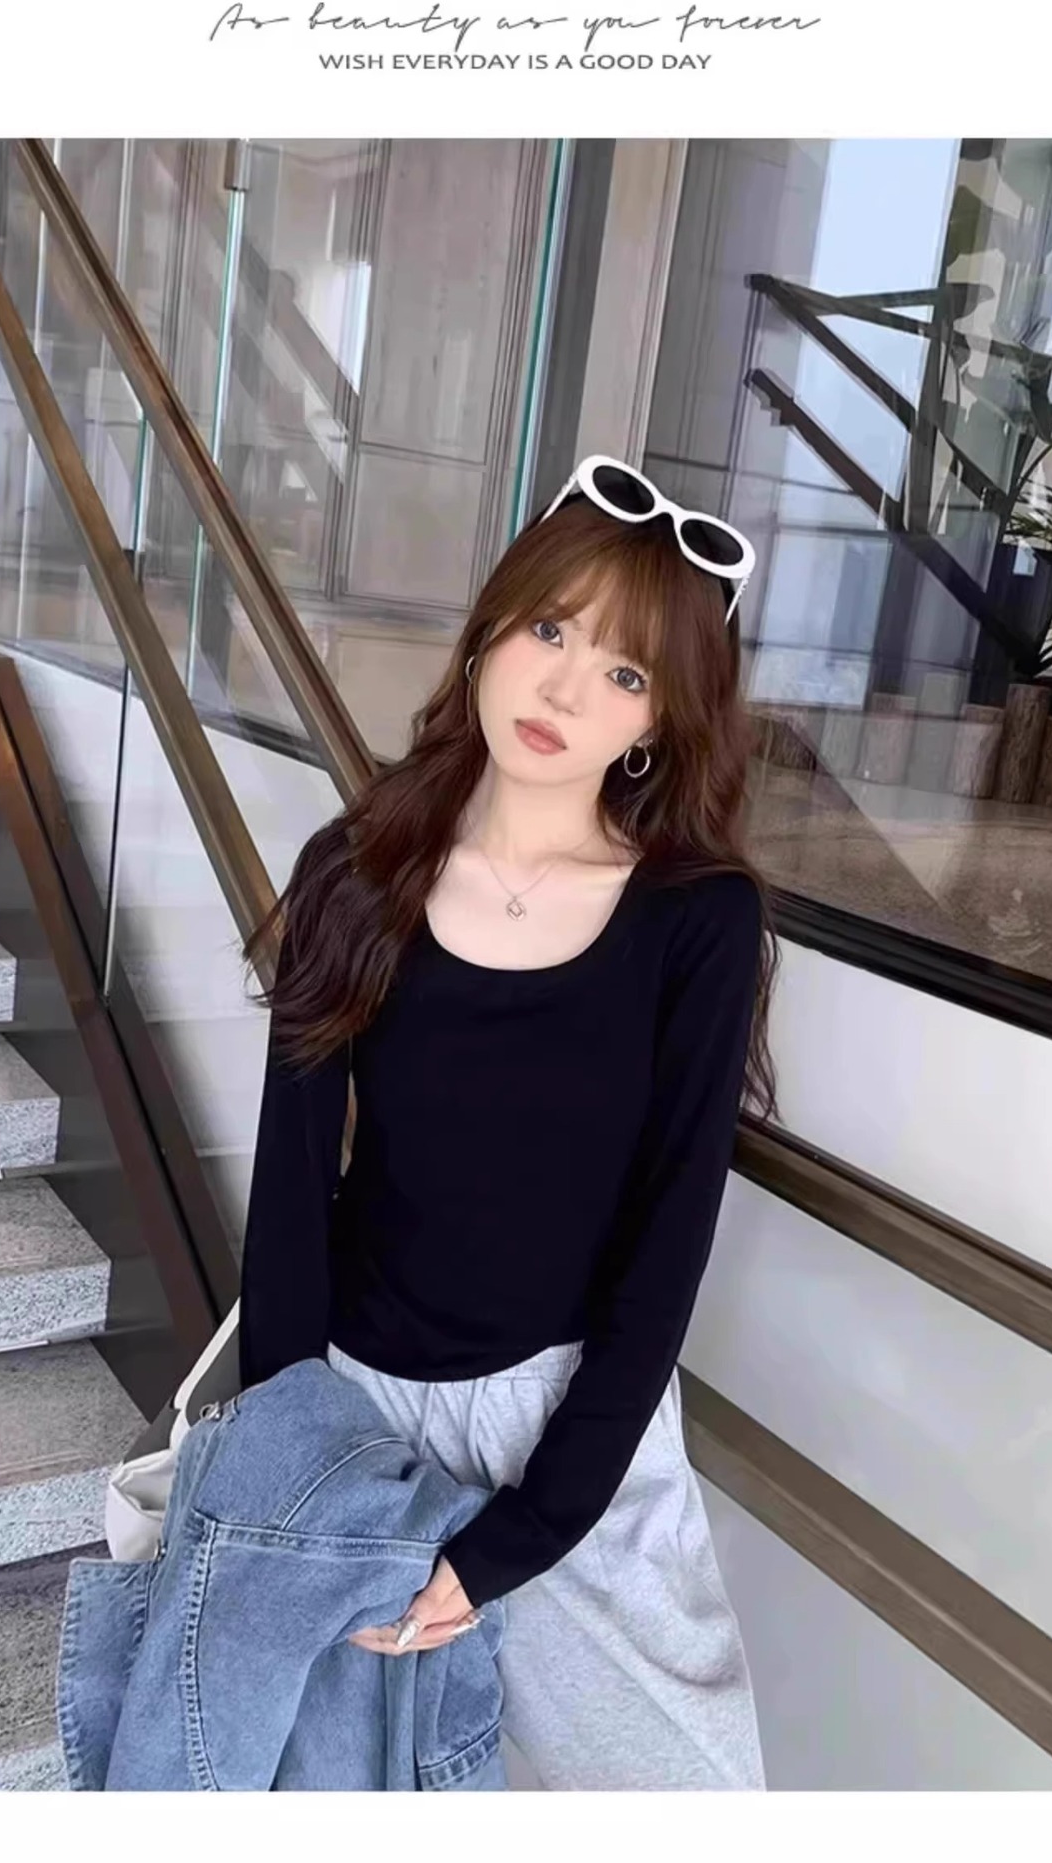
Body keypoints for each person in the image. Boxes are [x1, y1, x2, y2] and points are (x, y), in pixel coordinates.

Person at [237, 455, 779, 1791]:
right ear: (489, 631)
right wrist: (299, 1476)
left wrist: (519, 1539)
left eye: (625, 670)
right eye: (550, 629)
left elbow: (667, 1248)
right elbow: (289, 1202)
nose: (565, 690)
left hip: (570, 1426)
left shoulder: (696, 920)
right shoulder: (353, 873)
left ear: (657, 721)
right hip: (359, 1407)